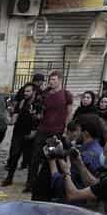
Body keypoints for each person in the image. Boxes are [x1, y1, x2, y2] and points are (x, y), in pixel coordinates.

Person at [29, 70, 73, 200]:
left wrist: (65, 129)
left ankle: (50, 184)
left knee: (52, 158)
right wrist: (35, 114)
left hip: (56, 131)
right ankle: (31, 184)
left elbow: (69, 113)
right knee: (35, 157)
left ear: (59, 80)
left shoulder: (66, 94)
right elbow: (41, 112)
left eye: (53, 79)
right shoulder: (45, 94)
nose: (51, 82)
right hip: (43, 129)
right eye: (50, 80)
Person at [49, 115, 104, 193]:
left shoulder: (82, 157)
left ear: (85, 133)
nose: (75, 134)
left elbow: (61, 185)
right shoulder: (100, 150)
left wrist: (52, 161)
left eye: (77, 130)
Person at [1, 82, 39, 187]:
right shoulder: (21, 102)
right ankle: (9, 178)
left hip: (31, 136)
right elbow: (15, 117)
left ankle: (30, 183)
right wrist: (9, 119)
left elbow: (40, 120)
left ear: (33, 92)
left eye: (28, 91)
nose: (26, 93)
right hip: (18, 133)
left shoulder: (37, 105)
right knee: (14, 156)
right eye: (25, 91)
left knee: (31, 160)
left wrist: (34, 131)